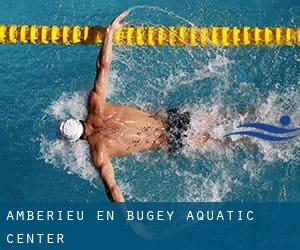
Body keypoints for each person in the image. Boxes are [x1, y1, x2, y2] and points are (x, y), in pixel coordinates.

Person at [58, 11, 210, 202]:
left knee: (228, 141)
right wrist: (109, 33)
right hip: (172, 118)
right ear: (76, 119)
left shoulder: (99, 152)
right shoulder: (95, 105)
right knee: (226, 118)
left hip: (171, 140)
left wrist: (132, 223)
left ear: (76, 140)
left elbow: (112, 189)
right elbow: (103, 66)